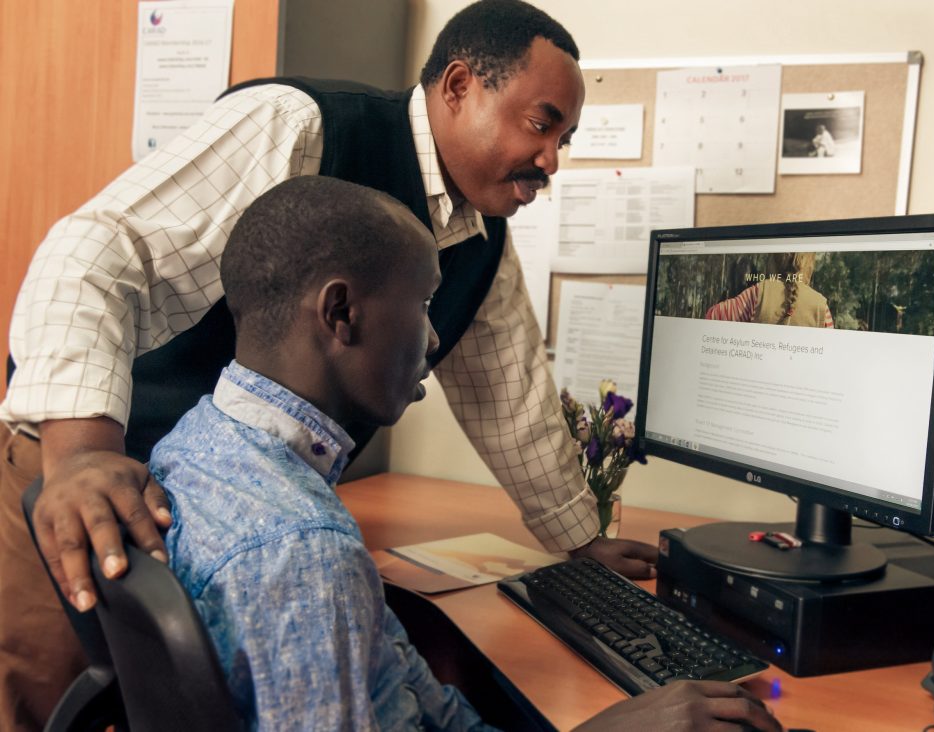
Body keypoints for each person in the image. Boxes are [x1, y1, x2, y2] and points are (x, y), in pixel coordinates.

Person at [0, 1, 657, 727]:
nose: (552, 162)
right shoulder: (301, 127)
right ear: (461, 85)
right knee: (40, 697)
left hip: (210, 502)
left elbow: (513, 401)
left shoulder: (481, 239)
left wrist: (580, 546)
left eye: (566, 138)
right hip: (80, 462)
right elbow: (94, 249)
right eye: (542, 124)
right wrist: (83, 457)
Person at [154, 174, 782, 731]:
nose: (432, 336)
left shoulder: (195, 445)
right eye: (423, 304)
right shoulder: (304, 551)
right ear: (340, 313)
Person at [705, 253, 834, 328]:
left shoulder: (758, 293)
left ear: (772, 261)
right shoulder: (821, 307)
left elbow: (713, 316)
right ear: (809, 264)